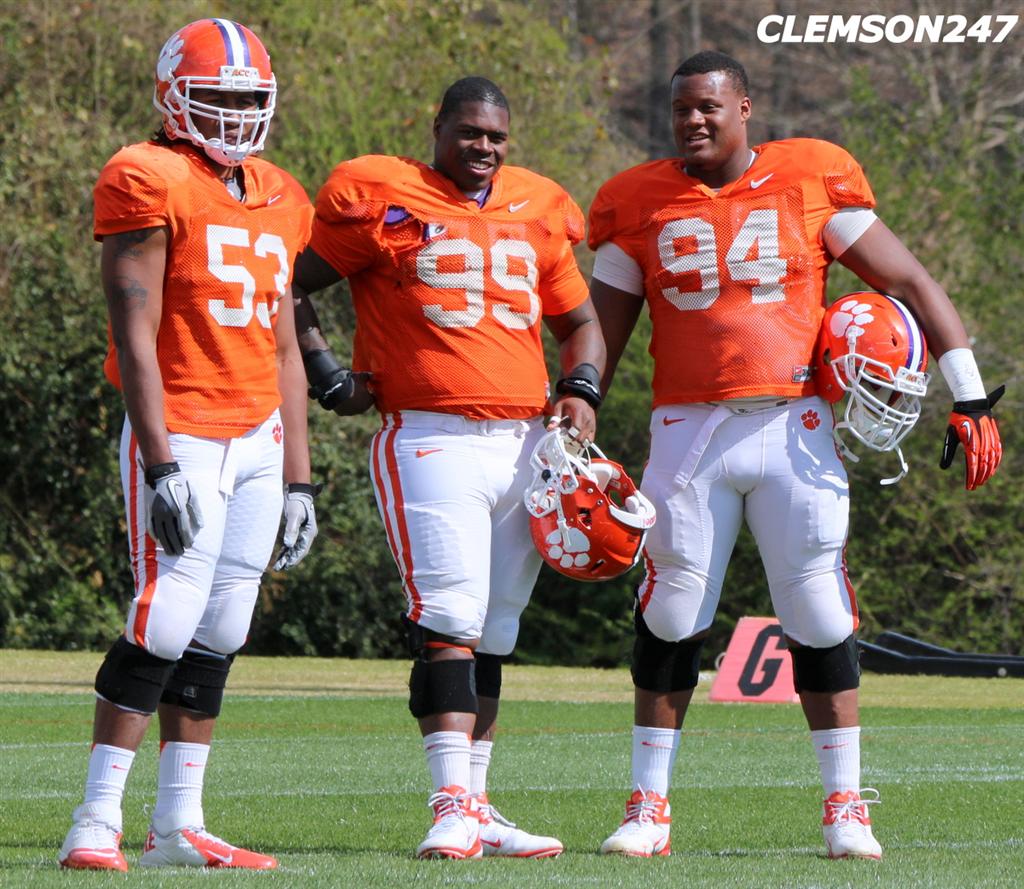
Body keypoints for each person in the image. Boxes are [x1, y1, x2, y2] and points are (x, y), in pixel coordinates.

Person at [588, 51, 1004, 860]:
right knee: (673, 611)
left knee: (819, 612)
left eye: (709, 106)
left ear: (745, 108)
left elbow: (911, 280)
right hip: (689, 428)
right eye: (681, 110)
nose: (694, 120)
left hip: (793, 425)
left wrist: (972, 392)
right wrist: (575, 402)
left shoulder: (811, 176)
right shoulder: (633, 199)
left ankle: (846, 807)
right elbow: (601, 330)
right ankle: (648, 806)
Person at [290, 76, 605, 859]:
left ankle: (479, 803)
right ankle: (447, 806)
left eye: (496, 135)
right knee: (451, 618)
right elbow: (287, 285)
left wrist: (582, 390)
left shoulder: (535, 206)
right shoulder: (383, 197)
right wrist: (328, 373)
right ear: (437, 129)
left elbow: (582, 323)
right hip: (429, 436)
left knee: (495, 628)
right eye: (469, 132)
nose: (485, 147)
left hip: (526, 442)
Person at [58, 19, 317, 871]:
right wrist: (160, 459)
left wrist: (300, 476)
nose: (238, 114)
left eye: (250, 99)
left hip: (257, 433)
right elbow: (133, 330)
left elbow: (284, 346)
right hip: (186, 427)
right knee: (163, 617)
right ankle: (96, 820)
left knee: (224, 623)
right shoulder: (146, 174)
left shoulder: (281, 191)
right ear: (174, 97)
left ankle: (179, 824)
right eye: (219, 97)